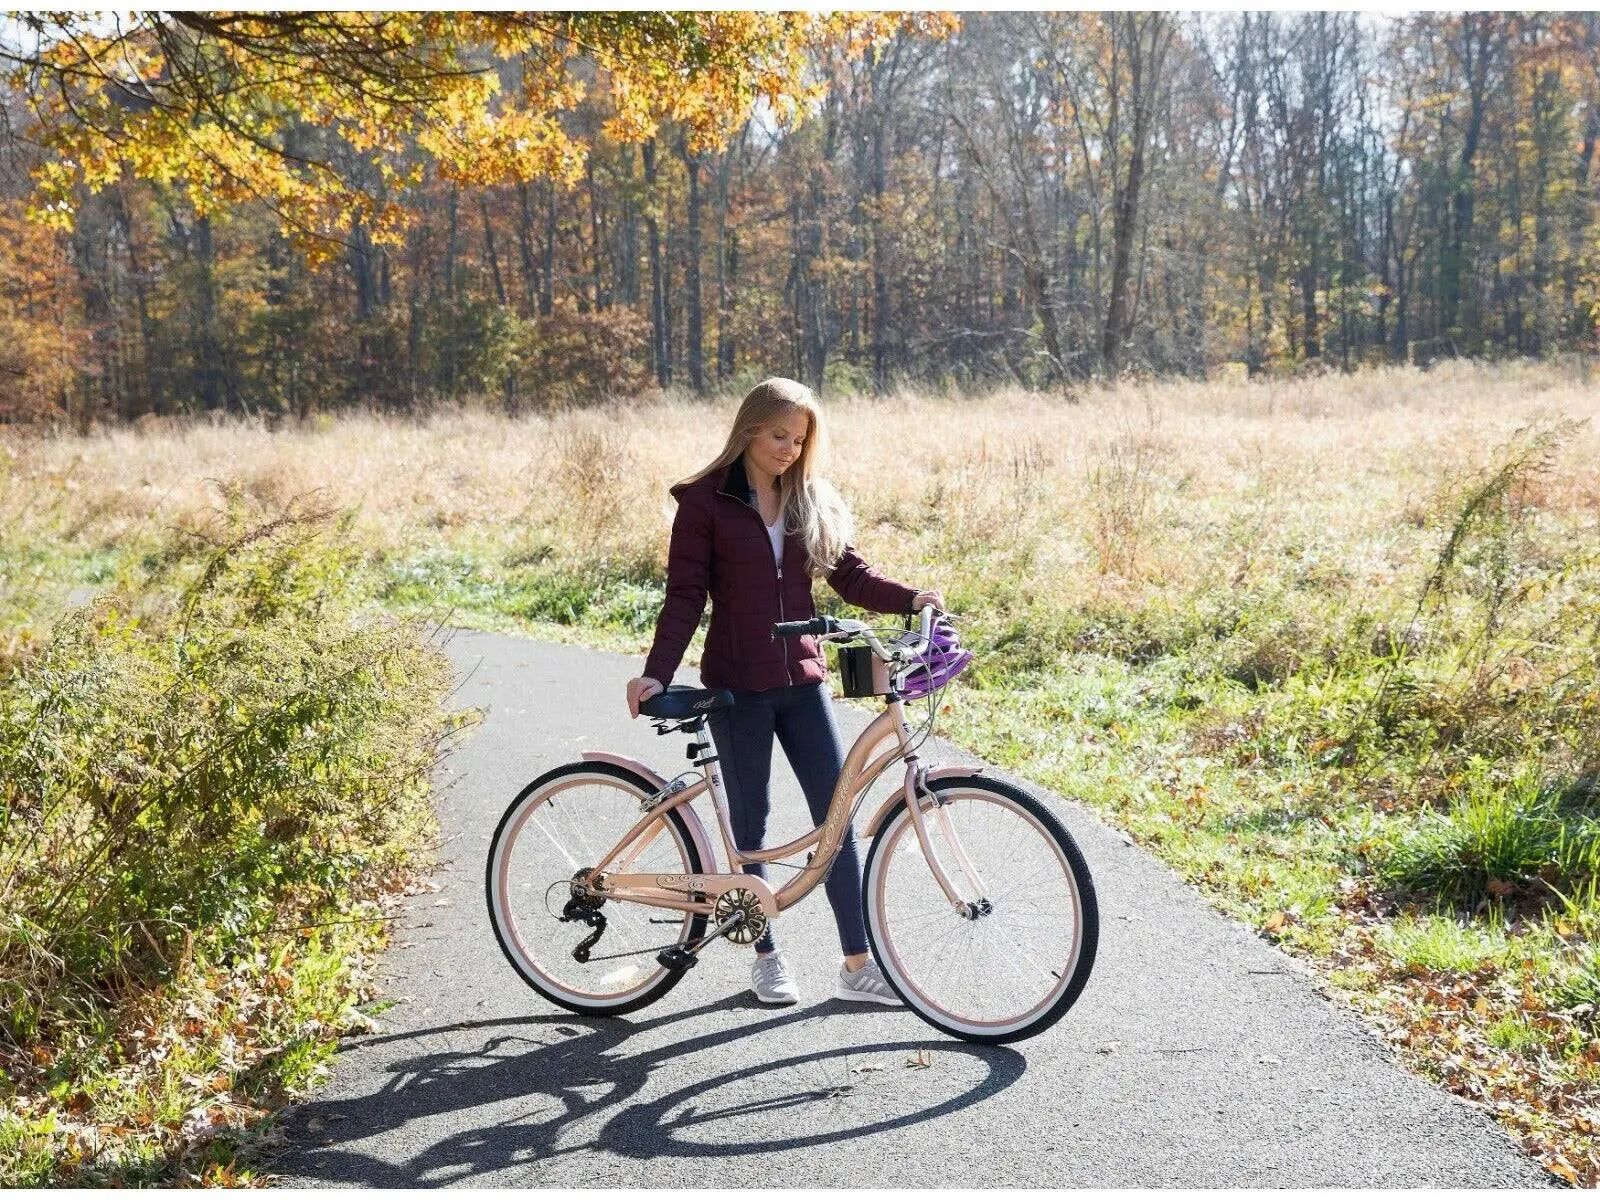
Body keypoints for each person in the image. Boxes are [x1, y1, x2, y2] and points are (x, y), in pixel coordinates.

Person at [625, 377, 943, 1007]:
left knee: (837, 819)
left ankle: (857, 965)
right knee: (753, 824)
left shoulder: (808, 499)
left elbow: (849, 575)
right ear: (749, 428)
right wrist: (657, 671)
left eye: (800, 440)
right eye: (779, 435)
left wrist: (911, 598)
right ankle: (765, 954)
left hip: (804, 683)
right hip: (737, 688)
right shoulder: (705, 504)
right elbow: (685, 597)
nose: (789, 450)